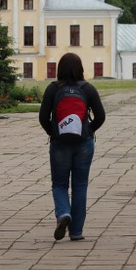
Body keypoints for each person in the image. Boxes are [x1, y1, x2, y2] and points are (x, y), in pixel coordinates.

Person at [39, 52, 106, 242]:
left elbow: (43, 118)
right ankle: (76, 232)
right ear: (81, 68)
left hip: (59, 143)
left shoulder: (52, 89)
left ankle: (63, 214)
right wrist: (88, 130)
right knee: (80, 186)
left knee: (59, 184)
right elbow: (101, 116)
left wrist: (53, 133)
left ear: (60, 69)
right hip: (83, 143)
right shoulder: (88, 89)